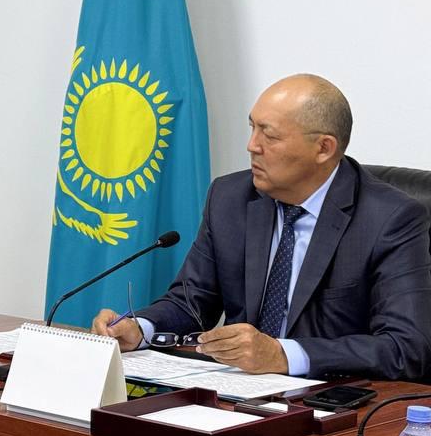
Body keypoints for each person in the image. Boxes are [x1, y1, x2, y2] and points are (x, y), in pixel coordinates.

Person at [92, 74, 431, 380]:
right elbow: (192, 302)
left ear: (323, 148)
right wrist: (141, 328)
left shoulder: (389, 219)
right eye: (252, 127)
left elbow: (406, 348)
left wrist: (283, 355)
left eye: (269, 135)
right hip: (237, 391)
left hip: (332, 400)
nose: (252, 145)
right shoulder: (229, 198)